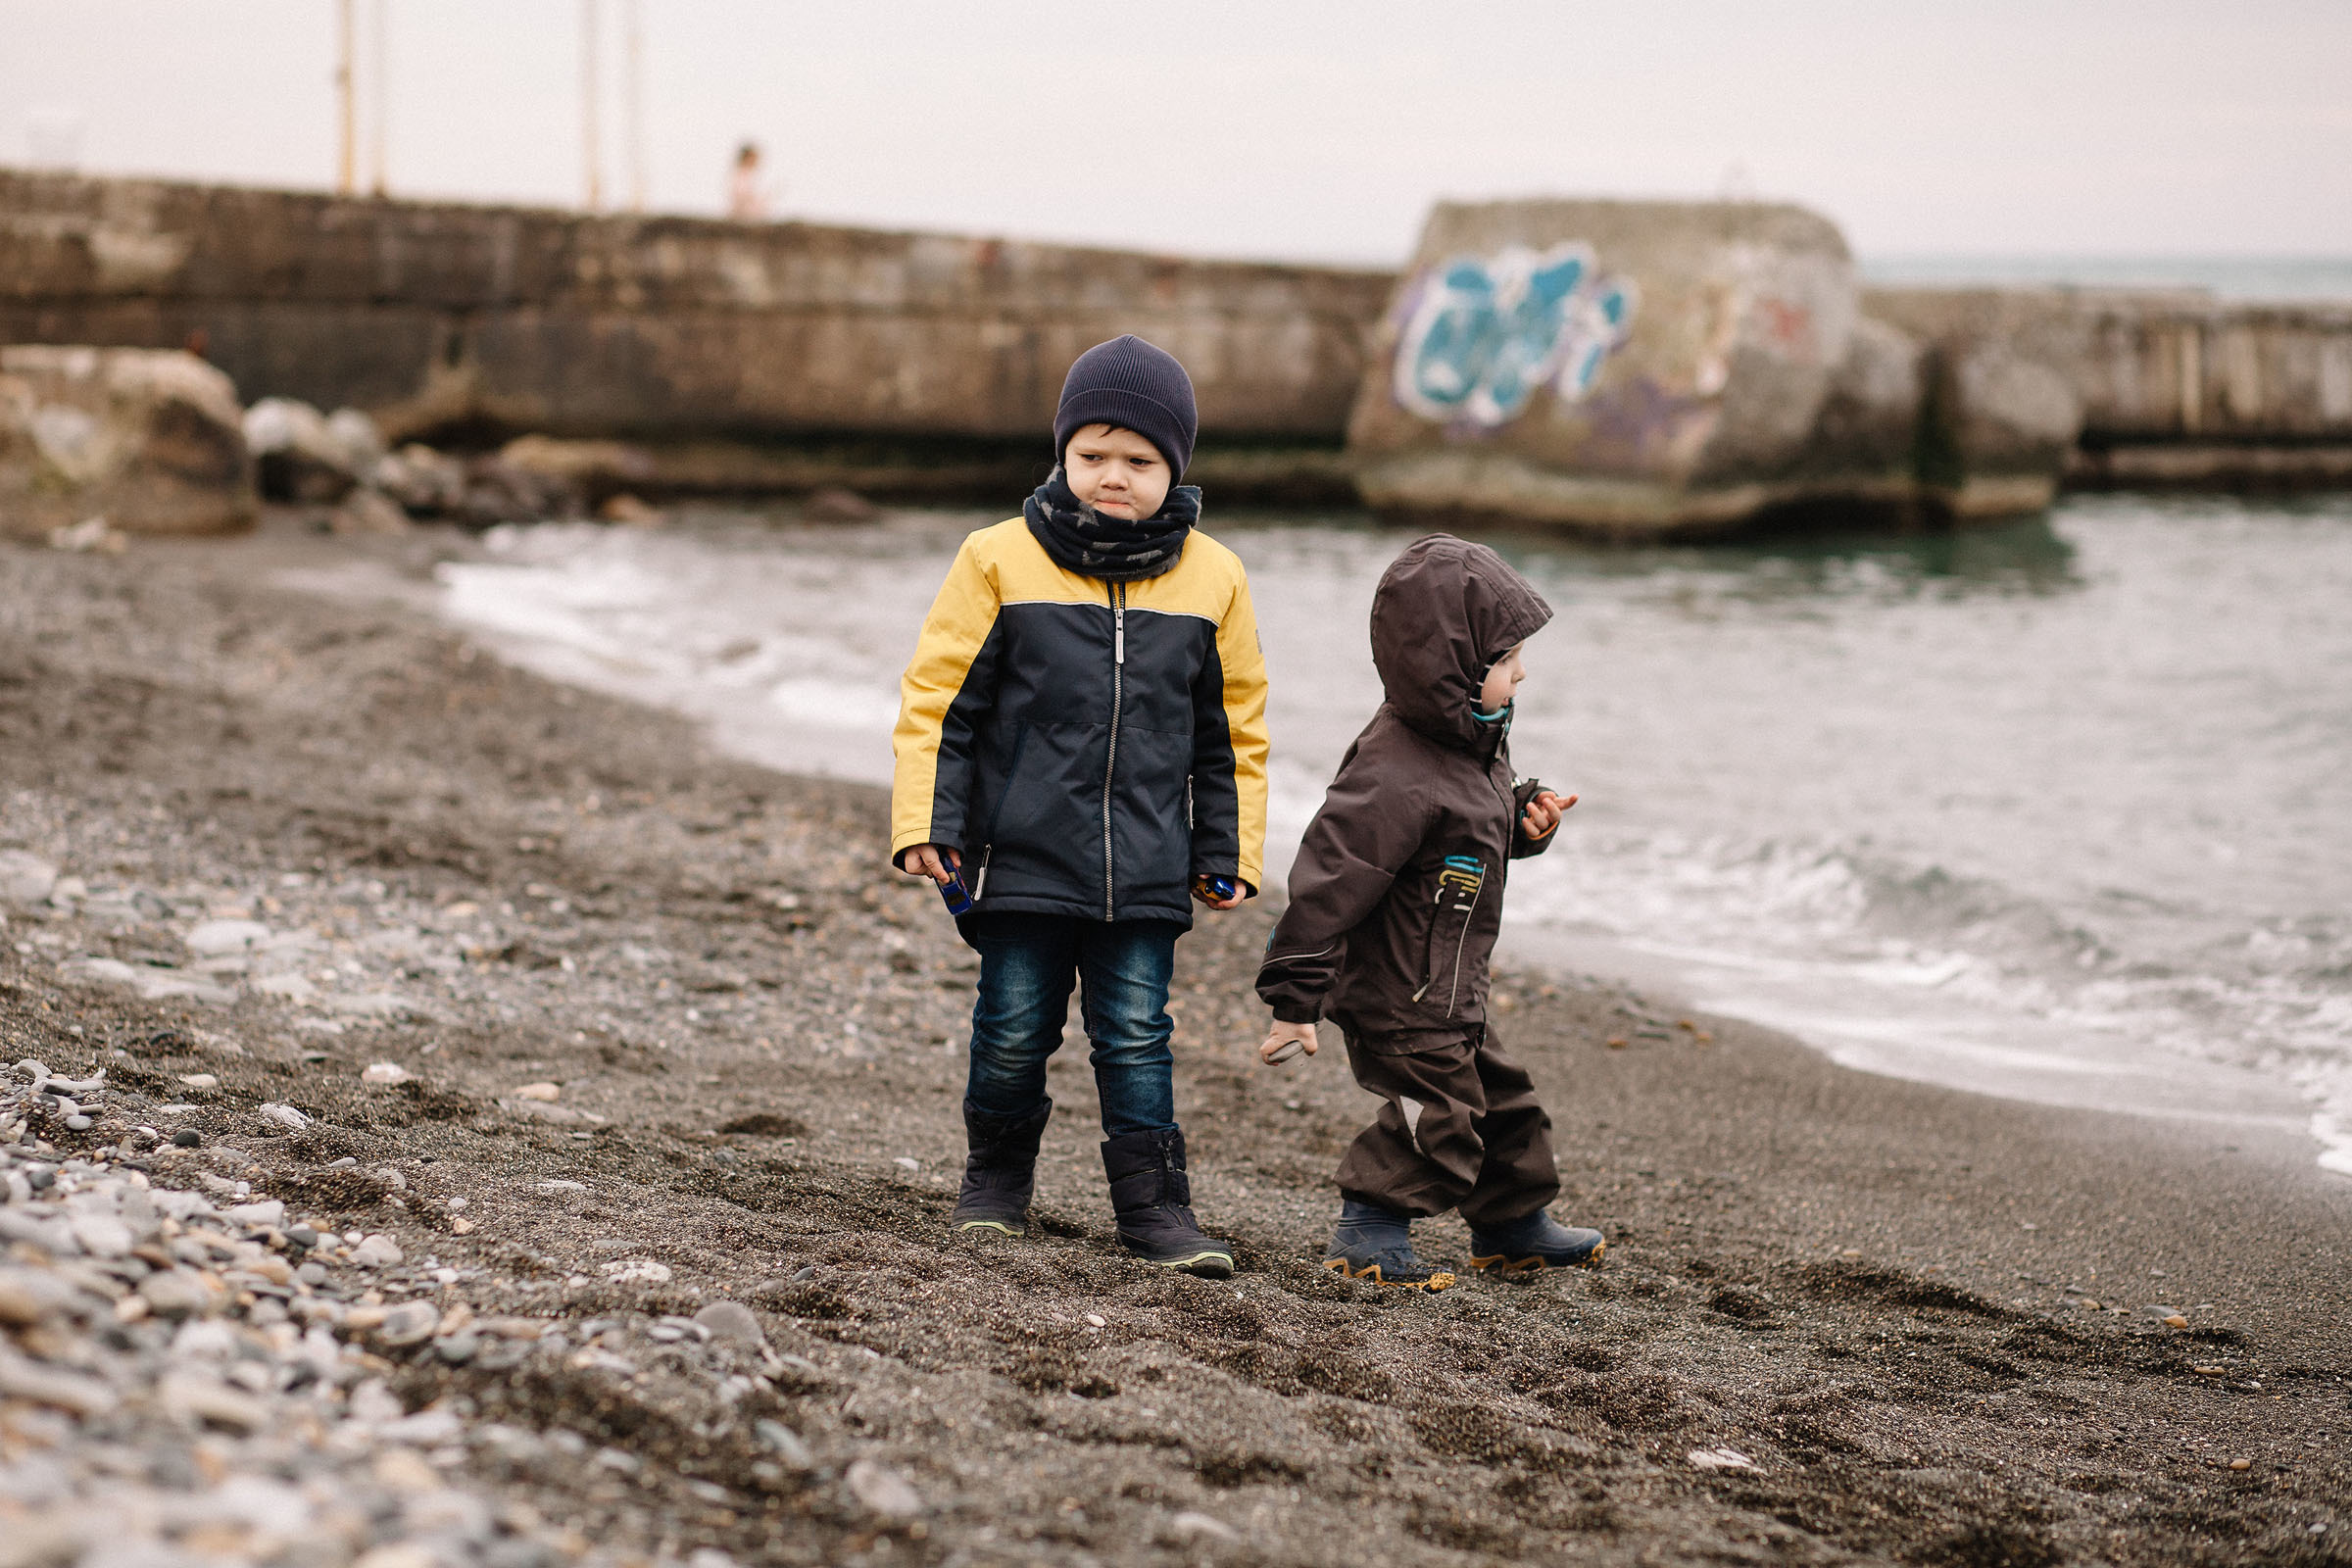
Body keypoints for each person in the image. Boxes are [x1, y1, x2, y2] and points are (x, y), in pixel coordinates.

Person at [892, 335, 1269, 1278]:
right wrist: (926, 827)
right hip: (1017, 855)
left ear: (1174, 466)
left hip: (1144, 863)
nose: (1113, 476)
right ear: (1061, 453)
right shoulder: (995, 559)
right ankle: (994, 1185)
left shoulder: (1214, 576)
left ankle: (1155, 1213)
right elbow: (941, 703)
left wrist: (1228, 850)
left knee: (1137, 1035)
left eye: (1139, 461)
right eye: (1092, 455)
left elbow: (1233, 732)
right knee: (1014, 1026)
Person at [1254, 535, 1604, 1291]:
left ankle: (1512, 1225)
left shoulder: (1472, 747)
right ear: (1456, 666)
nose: (1522, 672)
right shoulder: (1392, 771)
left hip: (1450, 983)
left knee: (1507, 1105)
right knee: (1438, 1116)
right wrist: (1294, 1001)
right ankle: (1369, 1230)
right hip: (1400, 992)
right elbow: (1329, 880)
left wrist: (1522, 827)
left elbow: (1464, 841)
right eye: (1507, 659)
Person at [726, 141, 770, 220]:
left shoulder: (750, 176)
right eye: (753, 158)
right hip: (742, 217)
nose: (756, 162)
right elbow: (740, 198)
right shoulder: (739, 175)